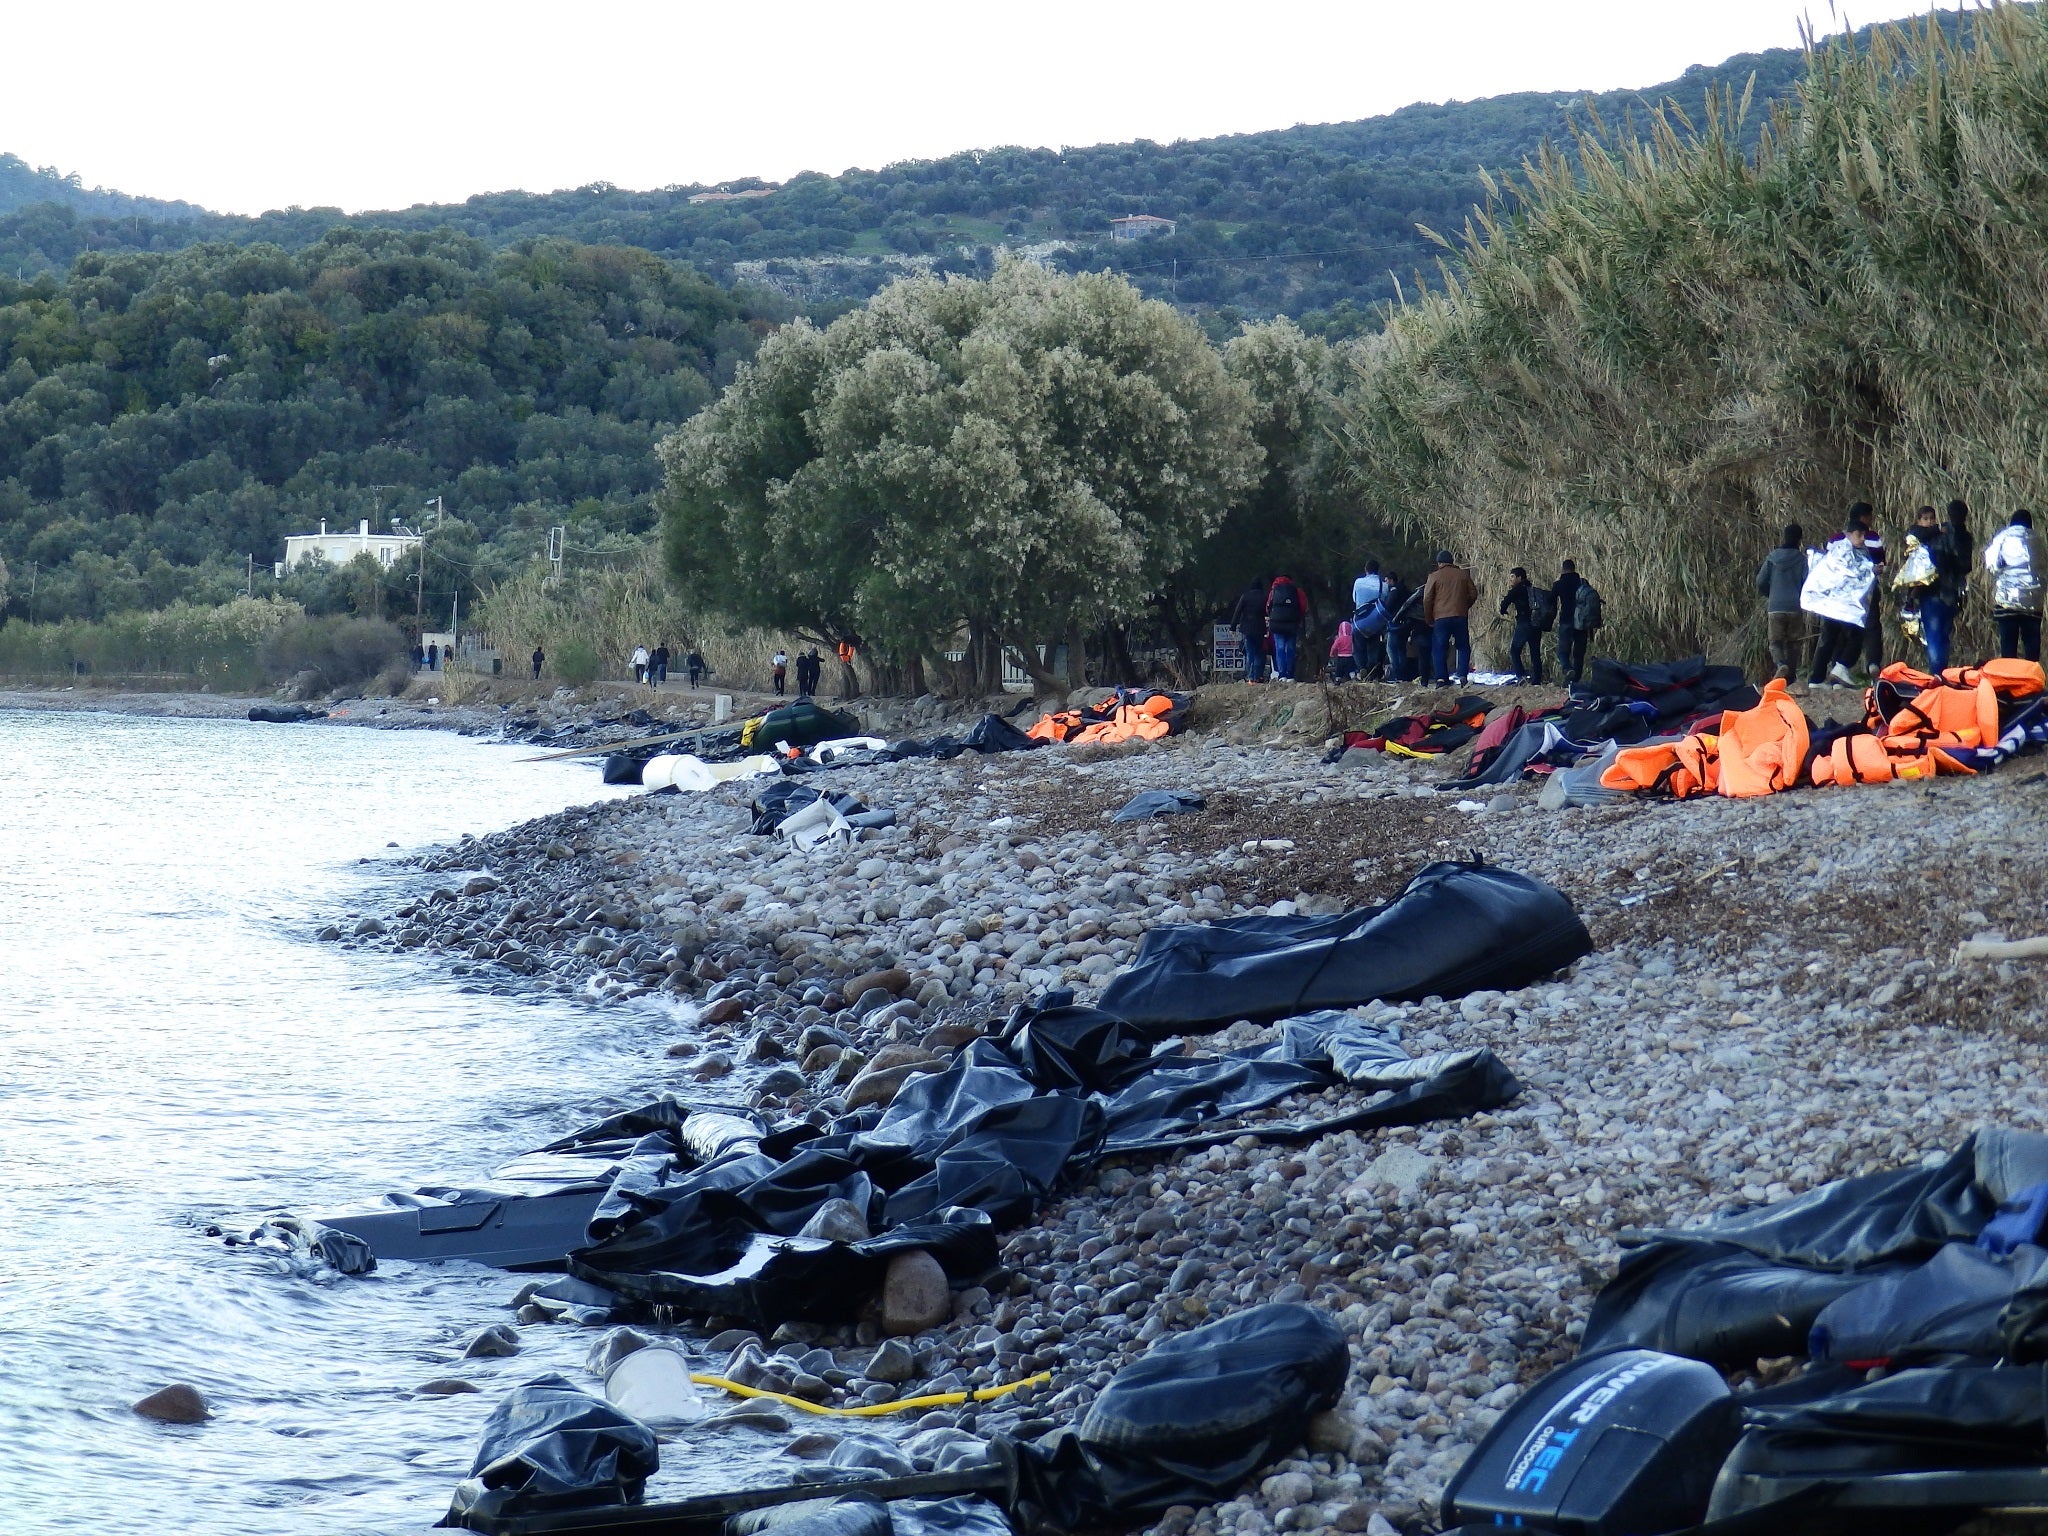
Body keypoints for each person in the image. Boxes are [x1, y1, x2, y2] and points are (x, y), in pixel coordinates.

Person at [1807, 524, 1879, 686]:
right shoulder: (1845, 552)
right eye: (1859, 535)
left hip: (1833, 605)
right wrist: (1872, 571)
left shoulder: (1839, 550)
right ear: (1848, 534)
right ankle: (1840, 668)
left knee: (1830, 639)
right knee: (1855, 636)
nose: (1862, 539)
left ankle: (1818, 678)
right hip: (1844, 605)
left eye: (1863, 536)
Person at [1986, 508, 2046, 662]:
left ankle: (2009, 678)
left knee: (2008, 642)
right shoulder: (2038, 540)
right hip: (2033, 600)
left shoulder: (2003, 537)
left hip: (2007, 599)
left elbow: (1992, 564)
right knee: (2031, 641)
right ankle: (2032, 678)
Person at [1922, 500, 1973, 671]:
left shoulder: (1937, 532)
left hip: (1933, 591)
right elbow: (1967, 567)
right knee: (1943, 635)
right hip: (1953, 593)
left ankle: (1937, 674)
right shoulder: (1966, 537)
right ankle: (1941, 673)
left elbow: (1924, 554)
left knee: (1935, 636)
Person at [1755, 524, 1807, 682]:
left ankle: (1781, 664)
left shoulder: (1772, 557)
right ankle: (1790, 677)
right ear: (1799, 539)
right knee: (1793, 643)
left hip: (1776, 606)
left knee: (1775, 642)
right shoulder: (1802, 560)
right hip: (1795, 606)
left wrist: (1770, 594)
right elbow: (1807, 582)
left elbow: (1760, 580)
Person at [1422, 550, 1479, 686]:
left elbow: (1427, 599)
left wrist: (1429, 618)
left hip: (1441, 618)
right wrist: (1464, 606)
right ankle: (1463, 675)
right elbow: (1473, 593)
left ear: (1439, 563)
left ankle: (1441, 678)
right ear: (1452, 561)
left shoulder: (1434, 576)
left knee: (1439, 647)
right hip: (1460, 615)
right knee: (1463, 646)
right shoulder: (1463, 575)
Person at [1499, 567, 1543, 684]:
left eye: (1513, 576)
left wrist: (1503, 610)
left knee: (1515, 650)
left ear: (1519, 577)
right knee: (1535, 652)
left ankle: (1521, 676)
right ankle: (1537, 679)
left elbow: (1505, 602)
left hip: (1524, 623)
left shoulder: (1517, 589)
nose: (1511, 579)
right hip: (1536, 623)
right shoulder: (1531, 588)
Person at [1351, 559, 1391, 678]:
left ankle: (1361, 668)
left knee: (1358, 646)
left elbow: (1354, 599)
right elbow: (1385, 601)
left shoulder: (1358, 582)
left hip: (1360, 621)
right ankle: (1372, 670)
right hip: (1376, 621)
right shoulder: (1383, 585)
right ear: (1378, 571)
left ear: (1366, 569)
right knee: (1373, 646)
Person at [1550, 560, 1587, 685]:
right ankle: (1575, 680)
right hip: (1582, 622)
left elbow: (1550, 602)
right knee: (1579, 653)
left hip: (1566, 620)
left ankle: (1567, 668)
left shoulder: (1559, 584)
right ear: (1574, 568)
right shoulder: (1582, 582)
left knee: (1563, 651)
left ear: (1563, 569)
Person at [1265, 573, 1307, 682]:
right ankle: (1290, 675)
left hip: (1277, 623)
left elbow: (1268, 606)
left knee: (1279, 648)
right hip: (1292, 623)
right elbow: (1303, 606)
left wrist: (1273, 616)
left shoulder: (1274, 590)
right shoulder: (1296, 591)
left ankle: (1281, 675)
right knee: (1290, 649)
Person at [1229, 578, 1269, 683]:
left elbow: (1237, 612)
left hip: (1246, 628)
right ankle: (1257, 676)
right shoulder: (1265, 597)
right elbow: (1268, 611)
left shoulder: (1245, 596)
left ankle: (1250, 678)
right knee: (1259, 653)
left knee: (1249, 653)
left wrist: (1232, 627)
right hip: (1260, 628)